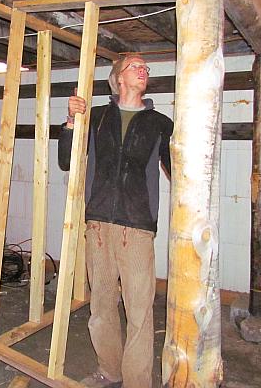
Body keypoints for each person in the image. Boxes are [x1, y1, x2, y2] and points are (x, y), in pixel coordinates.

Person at [58, 54, 173, 388]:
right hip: (97, 226)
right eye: (136, 66)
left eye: (146, 68)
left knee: (139, 312)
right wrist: (69, 121)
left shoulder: (159, 123)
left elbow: (175, 170)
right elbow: (67, 160)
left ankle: (138, 382)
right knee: (102, 307)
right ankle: (110, 370)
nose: (144, 70)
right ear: (118, 77)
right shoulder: (95, 117)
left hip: (136, 228)